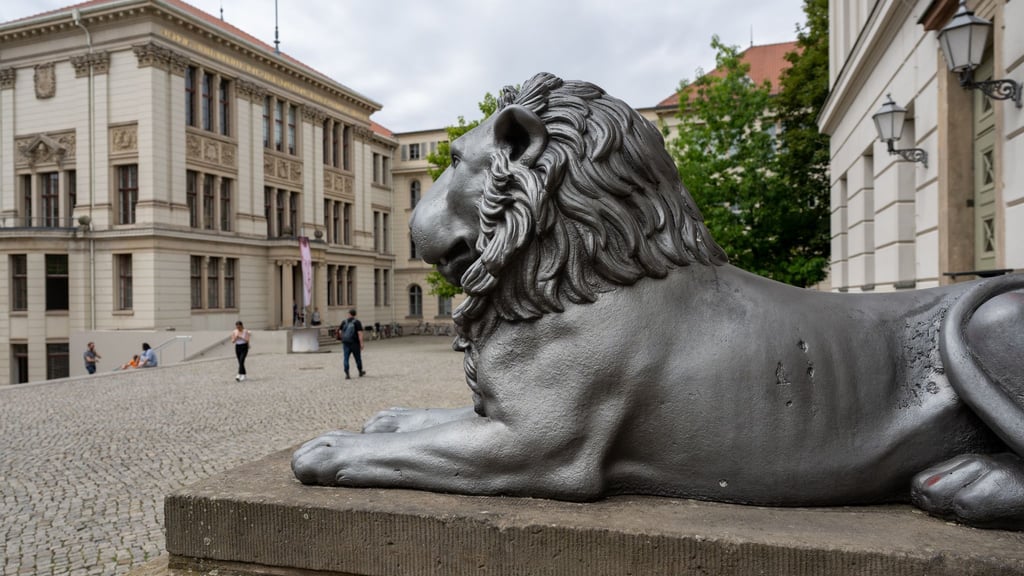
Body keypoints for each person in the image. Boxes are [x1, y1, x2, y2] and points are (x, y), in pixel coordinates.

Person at [338, 308, 365, 379]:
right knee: (358, 358)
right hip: (355, 343)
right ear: (355, 314)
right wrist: (361, 343)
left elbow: (340, 331)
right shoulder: (357, 322)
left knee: (346, 358)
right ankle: (360, 371)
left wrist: (343, 338)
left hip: (346, 343)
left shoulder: (344, 322)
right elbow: (360, 333)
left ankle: (347, 373)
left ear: (349, 314)